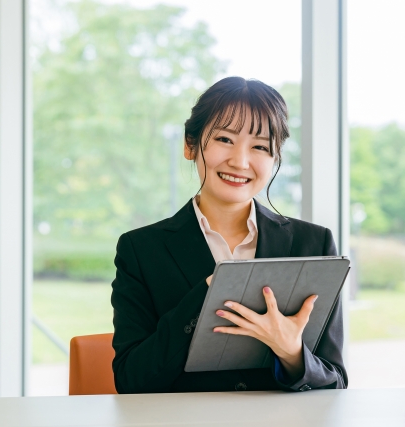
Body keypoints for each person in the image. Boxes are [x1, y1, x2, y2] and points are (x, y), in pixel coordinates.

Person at [111, 76, 347, 394]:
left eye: (260, 147)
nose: (240, 161)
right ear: (190, 144)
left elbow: (335, 380)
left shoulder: (313, 244)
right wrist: (208, 293)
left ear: (275, 158)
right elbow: (130, 380)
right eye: (225, 139)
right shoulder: (140, 250)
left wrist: (291, 352)